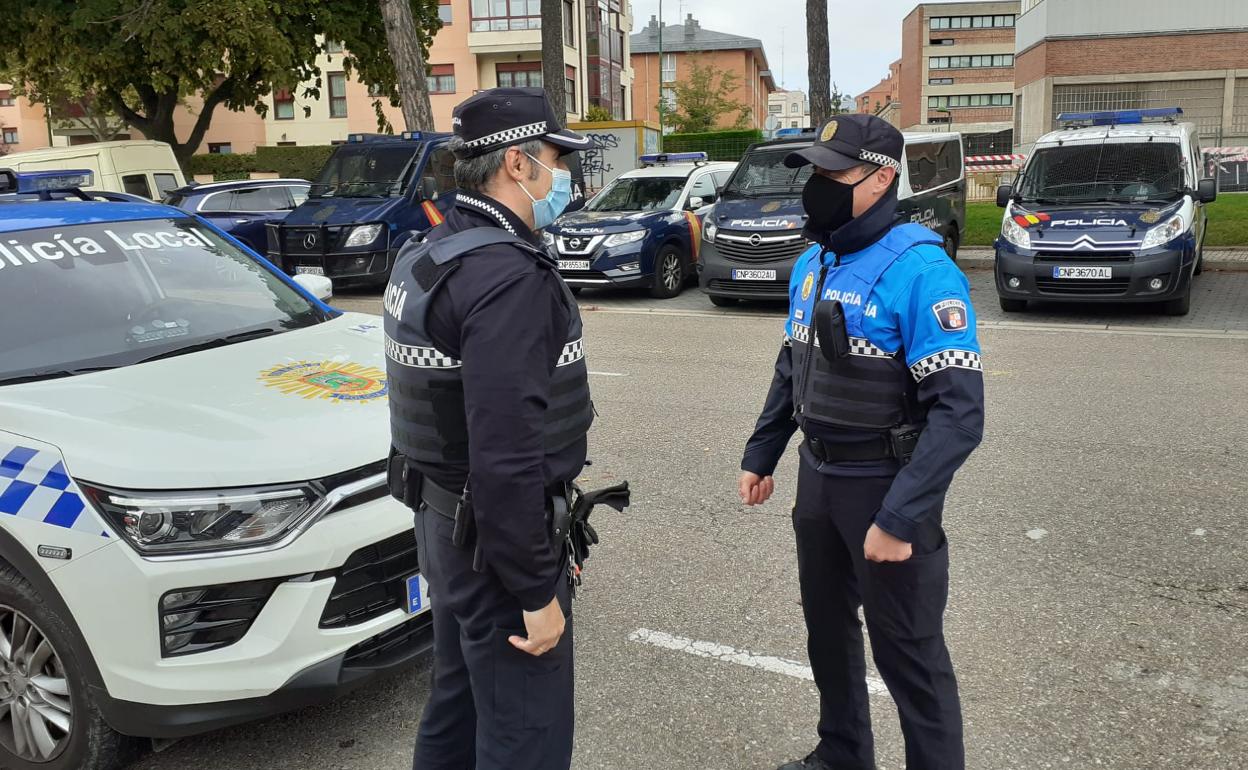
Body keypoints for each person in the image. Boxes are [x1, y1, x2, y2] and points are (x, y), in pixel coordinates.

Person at [739, 114, 985, 770]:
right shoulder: (814, 262)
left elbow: (960, 416)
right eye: (815, 171)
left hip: (885, 487)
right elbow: (793, 362)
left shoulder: (923, 271)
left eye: (833, 173)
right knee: (828, 634)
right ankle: (842, 753)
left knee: (910, 658)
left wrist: (901, 518)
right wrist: (762, 451)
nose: (817, 184)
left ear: (882, 179)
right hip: (818, 480)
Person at [383, 87, 595, 770]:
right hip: (496, 546)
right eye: (558, 160)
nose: (565, 175)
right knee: (524, 735)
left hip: (445, 529)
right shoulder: (506, 276)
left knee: (460, 703)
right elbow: (505, 456)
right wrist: (536, 590)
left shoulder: (434, 252)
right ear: (517, 163)